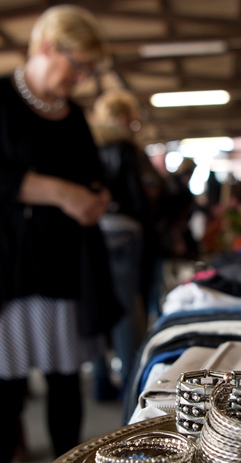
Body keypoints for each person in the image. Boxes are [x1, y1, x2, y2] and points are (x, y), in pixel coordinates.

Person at [0, 5, 119, 463]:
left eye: (88, 71)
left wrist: (93, 196)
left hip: (61, 268)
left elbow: (93, 176)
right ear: (48, 47)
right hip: (4, 271)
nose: (81, 80)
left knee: (63, 386)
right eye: (79, 66)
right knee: (0, 399)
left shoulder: (71, 115)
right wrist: (65, 194)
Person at [90, 89, 153, 400]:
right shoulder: (125, 148)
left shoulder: (87, 145)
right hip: (124, 229)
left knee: (97, 304)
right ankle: (130, 381)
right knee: (126, 310)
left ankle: (100, 379)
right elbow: (137, 198)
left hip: (93, 229)